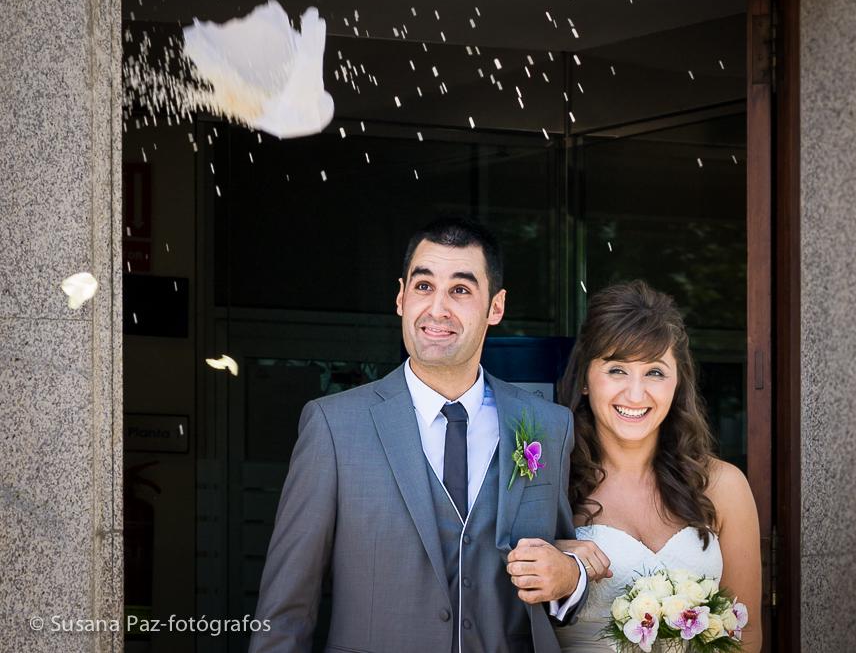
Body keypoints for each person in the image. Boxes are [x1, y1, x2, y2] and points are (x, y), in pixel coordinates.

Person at [250, 217, 588, 653]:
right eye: (424, 286)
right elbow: (285, 611)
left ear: (496, 307)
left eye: (461, 290)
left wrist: (572, 578)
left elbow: (556, 566)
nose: (438, 309)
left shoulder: (548, 426)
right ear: (401, 297)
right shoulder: (333, 427)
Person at [553, 281, 762, 652]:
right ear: (586, 378)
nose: (636, 394)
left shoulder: (723, 485)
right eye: (617, 369)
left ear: (677, 381)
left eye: (654, 372)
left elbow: (745, 637)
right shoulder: (551, 484)